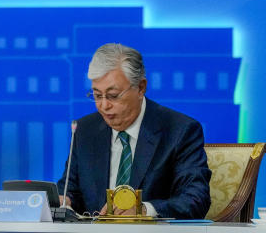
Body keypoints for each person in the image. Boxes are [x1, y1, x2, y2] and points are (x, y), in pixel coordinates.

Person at [57, 43, 211, 219]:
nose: (104, 106)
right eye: (97, 95)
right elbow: (70, 190)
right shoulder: (85, 130)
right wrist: (64, 201)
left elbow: (195, 199)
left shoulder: (180, 130)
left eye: (113, 95)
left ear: (141, 88)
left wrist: (143, 210)